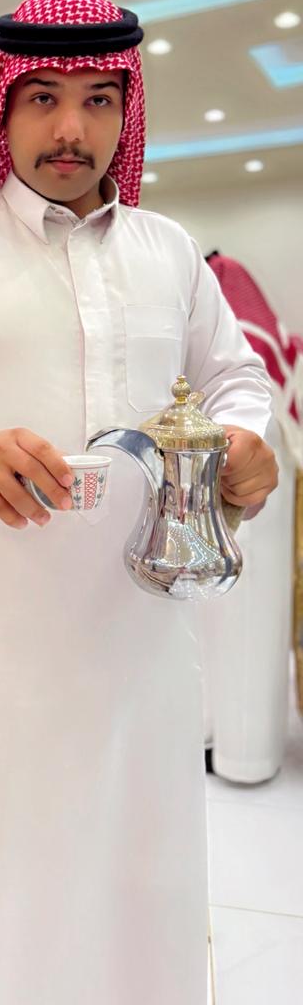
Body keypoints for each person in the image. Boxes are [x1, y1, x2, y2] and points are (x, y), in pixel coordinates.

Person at [0, 0, 278, 1005]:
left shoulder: (169, 250)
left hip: (140, 638)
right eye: (42, 96)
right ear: (2, 108)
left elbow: (236, 377)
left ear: (128, 111)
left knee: (133, 880)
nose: (70, 127)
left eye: (96, 99)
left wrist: (246, 434)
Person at [199, 252, 302, 783]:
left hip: (256, 476)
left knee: (248, 621)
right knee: (209, 622)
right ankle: (217, 743)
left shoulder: (224, 282)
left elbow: (257, 388)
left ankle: (246, 758)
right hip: (206, 487)